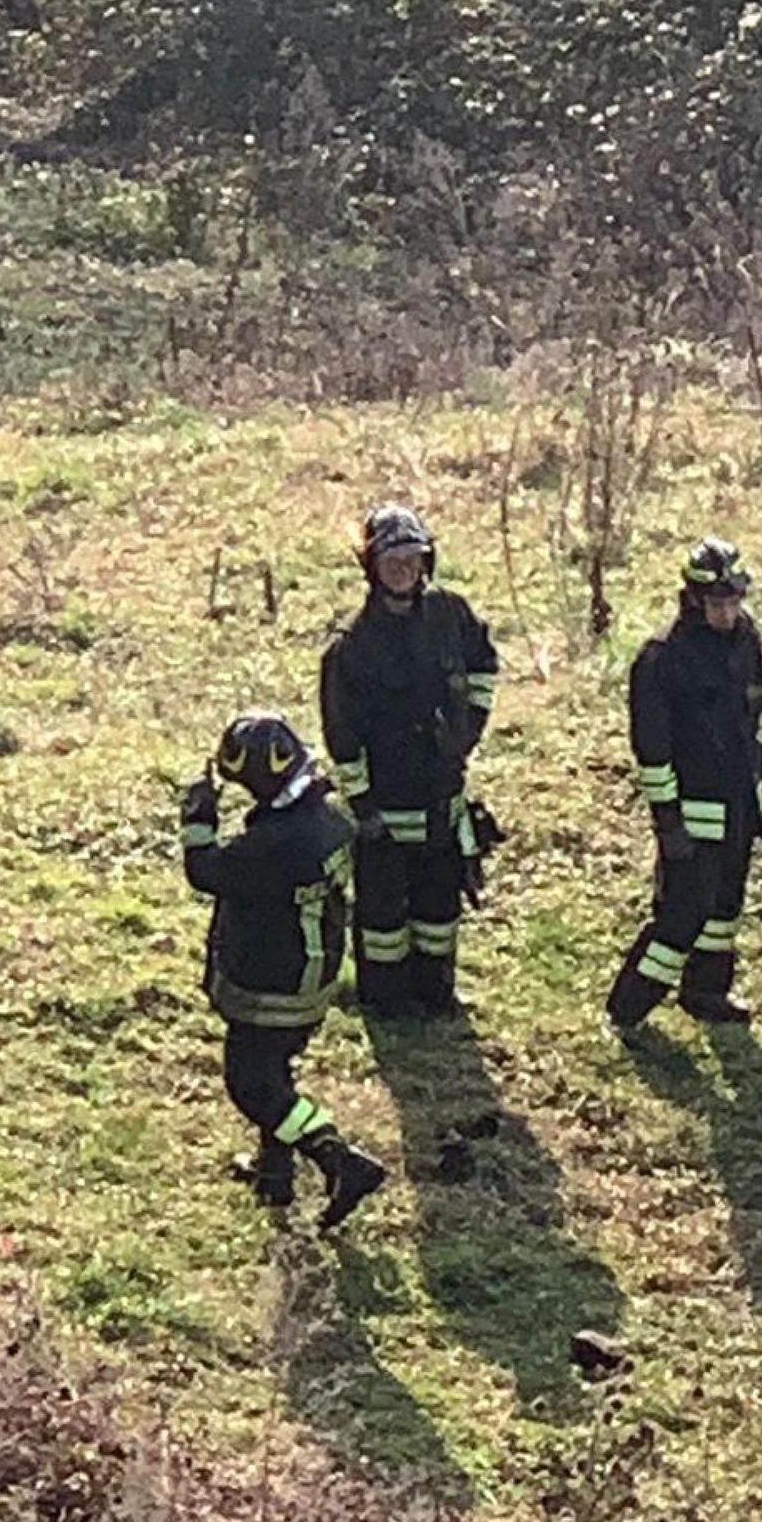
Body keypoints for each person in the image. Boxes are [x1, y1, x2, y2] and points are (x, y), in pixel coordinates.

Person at [180, 710, 388, 1232]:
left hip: (272, 981)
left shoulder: (273, 847)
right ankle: (275, 1175)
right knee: (276, 1072)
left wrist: (197, 822)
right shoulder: (330, 818)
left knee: (252, 1086)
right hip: (313, 974)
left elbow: (206, 872)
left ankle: (336, 1157)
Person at [319, 503, 500, 1018]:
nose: (403, 568)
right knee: (382, 918)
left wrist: (471, 726)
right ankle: (386, 1000)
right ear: (371, 567)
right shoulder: (351, 646)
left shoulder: (450, 615)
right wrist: (364, 808)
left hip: (441, 797)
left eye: (413, 558)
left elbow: (484, 662)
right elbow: (341, 737)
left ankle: (436, 992)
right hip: (385, 806)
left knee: (440, 909)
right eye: (392, 560)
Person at [605, 538, 762, 1035]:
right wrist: (668, 820)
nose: (728, 613)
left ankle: (707, 992)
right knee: (684, 914)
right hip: (692, 810)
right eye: (718, 603)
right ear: (693, 601)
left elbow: (761, 706)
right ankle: (627, 1008)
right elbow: (652, 750)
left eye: (734, 601)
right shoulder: (663, 660)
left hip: (740, 803)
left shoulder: (746, 640)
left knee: (726, 906)